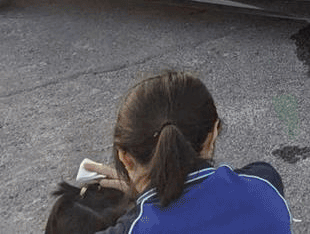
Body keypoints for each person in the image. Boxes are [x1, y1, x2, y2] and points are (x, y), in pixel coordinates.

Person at [82, 71, 291, 234]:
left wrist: (139, 196)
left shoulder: (132, 228)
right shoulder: (264, 184)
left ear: (126, 159)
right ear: (213, 133)